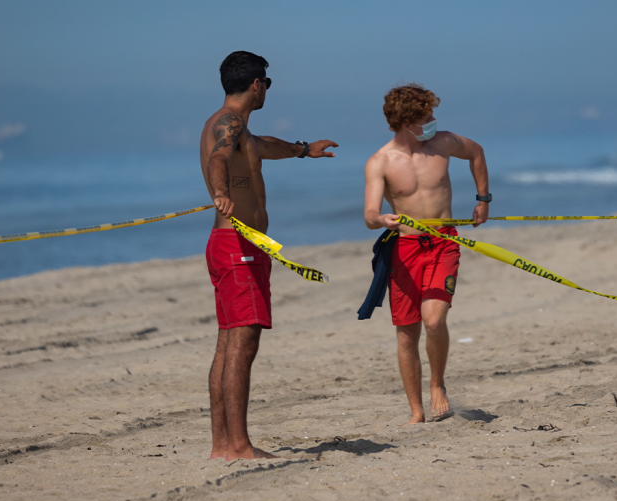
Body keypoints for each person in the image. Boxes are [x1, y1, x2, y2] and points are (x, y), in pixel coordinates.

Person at [200, 51, 338, 460]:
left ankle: (222, 445)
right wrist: (222, 193)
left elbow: (262, 148)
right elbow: (218, 158)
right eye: (267, 84)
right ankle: (239, 445)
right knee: (242, 344)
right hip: (237, 246)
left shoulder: (237, 128)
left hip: (233, 246)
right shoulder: (230, 123)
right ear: (257, 84)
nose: (267, 91)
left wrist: (302, 150)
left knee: (229, 343)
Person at [363, 84, 491, 424]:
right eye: (426, 117)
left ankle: (437, 385)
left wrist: (483, 199)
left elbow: (477, 152)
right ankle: (416, 411)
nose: (434, 120)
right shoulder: (380, 162)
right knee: (407, 333)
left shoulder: (443, 143)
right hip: (405, 249)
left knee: (434, 320)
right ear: (407, 122)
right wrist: (381, 219)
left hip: (444, 243)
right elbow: (370, 215)